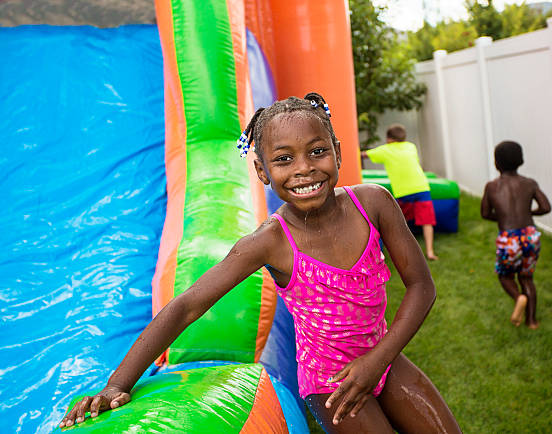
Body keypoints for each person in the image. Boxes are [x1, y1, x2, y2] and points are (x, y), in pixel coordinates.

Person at [59, 93, 461, 433]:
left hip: (384, 356)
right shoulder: (269, 242)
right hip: (328, 382)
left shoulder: (373, 203)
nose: (304, 168)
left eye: (317, 151)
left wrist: (378, 360)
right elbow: (188, 305)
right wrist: (117, 384)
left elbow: (422, 286)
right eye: (284, 159)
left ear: (338, 151)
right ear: (261, 171)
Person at [481, 141, 551, 329]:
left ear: (496, 163)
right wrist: (529, 214)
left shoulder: (492, 186)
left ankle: (518, 297)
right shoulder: (529, 183)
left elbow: (485, 213)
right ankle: (532, 321)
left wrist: (503, 217)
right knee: (527, 278)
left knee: (505, 276)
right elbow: (545, 207)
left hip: (509, 238)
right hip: (530, 236)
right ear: (521, 160)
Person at [361, 124, 438, 260]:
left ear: (389, 139)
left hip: (403, 192)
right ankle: (430, 251)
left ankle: (399, 252)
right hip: (422, 187)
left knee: (397, 223)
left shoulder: (385, 150)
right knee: (427, 221)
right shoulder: (411, 147)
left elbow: (364, 155)